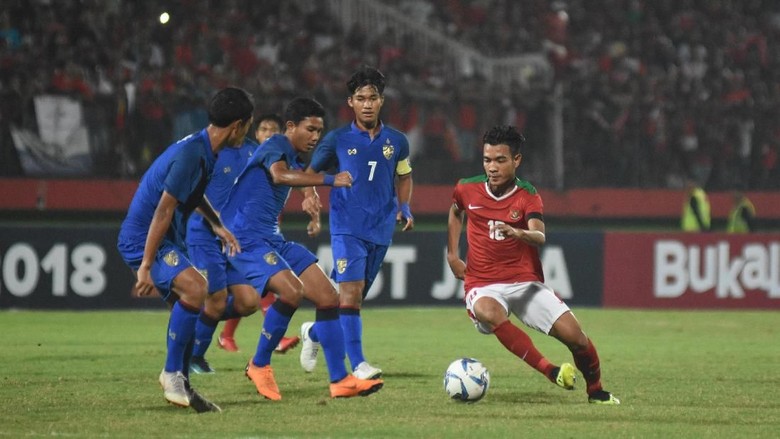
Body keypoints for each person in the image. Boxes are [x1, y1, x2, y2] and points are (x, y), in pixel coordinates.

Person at [220, 96, 384, 400]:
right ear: (291, 126)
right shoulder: (275, 144)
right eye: (310, 129)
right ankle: (259, 364)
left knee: (328, 296)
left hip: (272, 238)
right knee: (291, 291)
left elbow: (295, 174)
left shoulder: (292, 156)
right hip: (244, 238)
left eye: (319, 132)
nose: (315, 137)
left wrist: (309, 196)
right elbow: (280, 175)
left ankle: (340, 380)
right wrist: (329, 180)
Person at [446, 125, 620, 405]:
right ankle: (550, 371)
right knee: (487, 311)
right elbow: (456, 212)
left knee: (576, 338)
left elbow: (539, 234)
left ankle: (596, 391)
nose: (492, 167)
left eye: (500, 160)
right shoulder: (466, 188)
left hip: (524, 282)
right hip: (482, 283)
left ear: (516, 160)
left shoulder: (528, 195)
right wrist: (452, 255)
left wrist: (519, 233)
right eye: (487, 160)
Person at [116, 87, 253, 412]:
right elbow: (164, 210)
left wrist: (216, 223)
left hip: (166, 239)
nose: (246, 132)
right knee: (197, 288)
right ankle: (172, 374)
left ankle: (183, 385)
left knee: (189, 309)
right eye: (247, 126)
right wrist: (146, 265)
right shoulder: (194, 153)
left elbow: (192, 196)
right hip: (144, 239)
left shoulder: (206, 150)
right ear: (238, 126)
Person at [300, 66, 414, 380]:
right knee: (350, 294)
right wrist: (310, 194)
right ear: (350, 102)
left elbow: (404, 175)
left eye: (372, 98)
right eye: (360, 98)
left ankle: (313, 333)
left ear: (381, 101)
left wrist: (404, 205)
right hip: (346, 226)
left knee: (349, 300)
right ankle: (359, 364)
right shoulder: (336, 139)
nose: (367, 104)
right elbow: (309, 173)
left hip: (381, 227)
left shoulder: (397, 141)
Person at [212, 113, 301, 356]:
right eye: (264, 129)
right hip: (239, 231)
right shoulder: (247, 158)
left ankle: (222, 332)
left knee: (250, 291)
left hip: (264, 231)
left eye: (274, 129)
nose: (269, 133)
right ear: (256, 133)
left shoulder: (282, 158)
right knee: (263, 283)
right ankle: (277, 338)